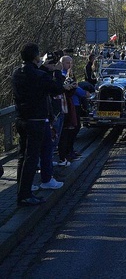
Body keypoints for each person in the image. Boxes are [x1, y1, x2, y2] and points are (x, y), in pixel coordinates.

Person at [11, 43, 69, 206]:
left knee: (23, 156)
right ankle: (25, 194)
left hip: (21, 119)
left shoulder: (17, 73)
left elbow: (35, 79)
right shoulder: (39, 76)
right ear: (36, 57)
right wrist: (57, 70)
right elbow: (57, 89)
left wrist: (44, 68)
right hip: (36, 121)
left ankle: (21, 189)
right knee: (32, 157)